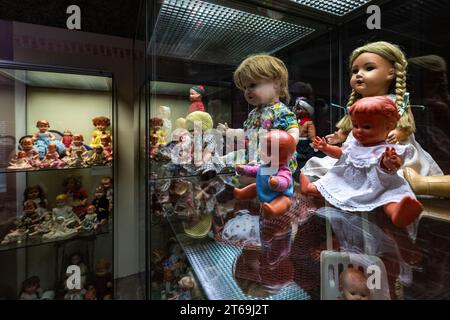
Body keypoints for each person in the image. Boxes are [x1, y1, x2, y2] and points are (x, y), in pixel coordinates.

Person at [302, 41, 443, 180]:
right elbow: (350, 125)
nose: (358, 74)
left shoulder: (396, 100)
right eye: (355, 71)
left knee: (393, 174)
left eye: (369, 68)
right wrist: (340, 135)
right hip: (357, 151)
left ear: (391, 73)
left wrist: (399, 133)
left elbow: (408, 125)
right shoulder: (357, 104)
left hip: (389, 151)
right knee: (328, 168)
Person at [300, 96, 423, 228]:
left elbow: (394, 165)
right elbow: (341, 154)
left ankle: (397, 214)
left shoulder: (388, 149)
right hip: (348, 181)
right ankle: (308, 188)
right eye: (356, 125)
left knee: (390, 197)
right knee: (329, 187)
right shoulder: (353, 145)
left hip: (378, 185)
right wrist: (326, 148)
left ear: (389, 126)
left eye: (367, 126)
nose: (358, 131)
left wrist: (389, 162)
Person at [217, 54, 299, 171]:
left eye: (252, 85)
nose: (247, 91)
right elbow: (247, 133)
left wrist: (285, 144)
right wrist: (229, 132)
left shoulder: (281, 112)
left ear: (276, 83)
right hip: (252, 155)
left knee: (250, 170)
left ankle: (249, 173)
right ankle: (212, 166)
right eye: (245, 87)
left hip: (274, 160)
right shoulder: (253, 113)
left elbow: (293, 132)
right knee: (229, 157)